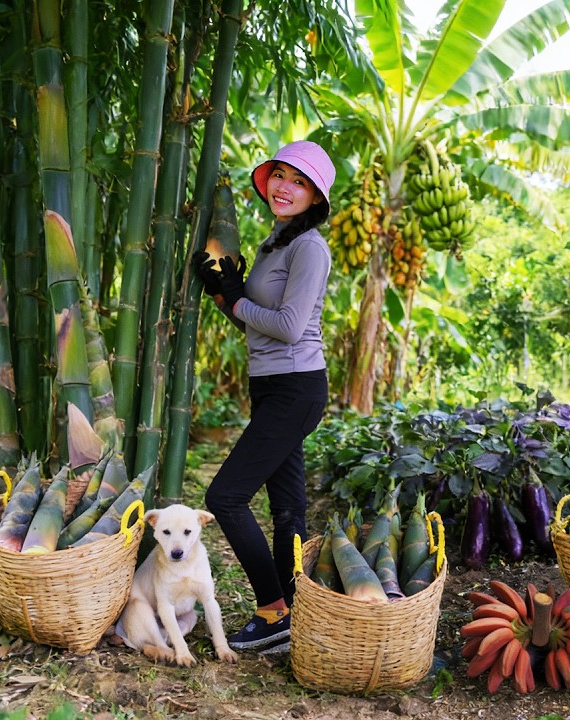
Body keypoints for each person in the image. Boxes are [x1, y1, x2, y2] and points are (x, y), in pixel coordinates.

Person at [191, 139, 335, 656]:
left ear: (316, 198)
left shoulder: (309, 247)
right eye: (280, 175)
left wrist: (235, 297)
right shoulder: (277, 240)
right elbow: (256, 325)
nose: (284, 187)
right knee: (287, 510)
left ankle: (272, 610)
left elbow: (291, 328)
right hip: (271, 384)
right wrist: (222, 293)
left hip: (296, 387)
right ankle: (295, 613)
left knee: (224, 497)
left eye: (299, 182)